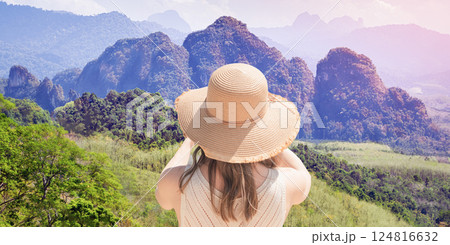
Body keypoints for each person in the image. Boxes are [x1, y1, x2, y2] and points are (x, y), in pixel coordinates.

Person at [155, 63, 311, 227]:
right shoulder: (288, 185)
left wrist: (191, 140)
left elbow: (163, 199)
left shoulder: (177, 183)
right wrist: (268, 140)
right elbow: (303, 174)